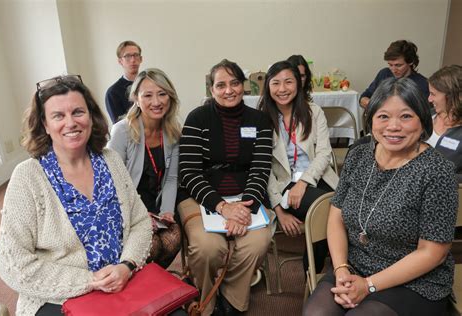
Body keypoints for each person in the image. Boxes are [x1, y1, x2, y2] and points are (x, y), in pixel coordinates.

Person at [0, 75, 153, 316]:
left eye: (78, 112)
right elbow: (12, 264)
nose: (70, 123)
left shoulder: (110, 160)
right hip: (60, 298)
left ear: (91, 117)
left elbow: (140, 222)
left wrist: (127, 265)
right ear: (45, 125)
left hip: (124, 282)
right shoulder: (27, 177)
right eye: (58, 116)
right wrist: (89, 280)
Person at [303, 77, 458, 316]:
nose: (393, 126)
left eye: (406, 116)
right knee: (316, 314)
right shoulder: (358, 157)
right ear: (371, 119)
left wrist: (368, 284)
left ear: (422, 120)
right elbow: (336, 217)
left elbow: (432, 253)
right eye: (383, 116)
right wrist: (342, 268)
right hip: (355, 265)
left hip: (414, 280)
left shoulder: (437, 172)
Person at [178, 59, 273, 316]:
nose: (228, 90)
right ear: (211, 90)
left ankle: (232, 299)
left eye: (234, 83)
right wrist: (222, 207)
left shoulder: (260, 120)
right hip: (200, 196)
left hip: (246, 197)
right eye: (221, 85)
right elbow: (188, 171)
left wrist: (244, 207)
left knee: (257, 241)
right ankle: (207, 303)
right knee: (208, 248)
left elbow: (261, 168)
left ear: (244, 86)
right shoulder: (197, 118)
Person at [258, 60, 338, 272]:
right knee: (326, 211)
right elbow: (261, 169)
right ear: (267, 86)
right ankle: (315, 276)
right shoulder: (261, 119)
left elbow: (324, 153)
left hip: (315, 177)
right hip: (284, 185)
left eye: (288, 82)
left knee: (343, 210)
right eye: (275, 83)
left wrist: (303, 182)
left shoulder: (314, 111)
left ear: (299, 84)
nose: (282, 89)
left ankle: (314, 278)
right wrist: (279, 212)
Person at [108, 68, 182, 268]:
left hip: (156, 206)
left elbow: (172, 178)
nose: (156, 102)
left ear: (170, 96)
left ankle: (154, 283)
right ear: (136, 99)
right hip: (126, 207)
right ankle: (143, 289)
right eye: (147, 95)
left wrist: (167, 211)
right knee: (153, 246)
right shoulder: (122, 131)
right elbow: (111, 181)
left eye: (162, 94)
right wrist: (139, 213)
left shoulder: (173, 132)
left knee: (174, 239)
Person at [360, 40, 429, 110]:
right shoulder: (384, 74)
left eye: (398, 65)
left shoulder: (423, 84)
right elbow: (364, 97)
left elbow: (423, 113)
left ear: (410, 62)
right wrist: (370, 104)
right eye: (390, 65)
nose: (393, 70)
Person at [427, 65, 462, 182]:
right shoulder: (425, 116)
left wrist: (434, 177)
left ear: (451, 96)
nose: (429, 99)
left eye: (433, 94)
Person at [105, 40, 143, 123]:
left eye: (136, 55)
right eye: (127, 56)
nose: (133, 60)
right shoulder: (113, 92)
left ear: (141, 59)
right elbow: (119, 125)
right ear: (120, 61)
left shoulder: (149, 85)